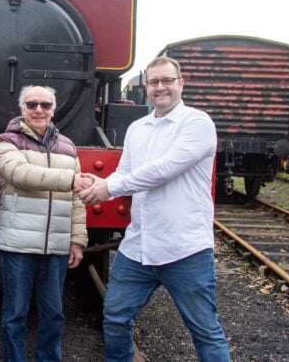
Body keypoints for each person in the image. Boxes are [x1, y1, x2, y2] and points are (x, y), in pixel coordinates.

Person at [77, 56, 231, 362]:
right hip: (139, 247)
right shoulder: (137, 128)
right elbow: (125, 172)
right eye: (154, 82)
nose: (160, 88)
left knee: (204, 329)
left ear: (180, 84)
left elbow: (164, 169)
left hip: (184, 249)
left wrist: (109, 188)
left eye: (167, 81)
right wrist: (100, 184)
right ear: (146, 87)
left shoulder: (197, 123)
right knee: (116, 318)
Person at [0, 85, 91, 362]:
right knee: (15, 315)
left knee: (54, 315)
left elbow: (76, 200)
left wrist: (77, 240)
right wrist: (71, 179)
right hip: (18, 246)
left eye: (45, 105)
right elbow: (20, 174)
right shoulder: (6, 142)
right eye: (32, 104)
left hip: (56, 246)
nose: (39, 110)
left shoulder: (68, 147)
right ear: (22, 109)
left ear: (53, 110)